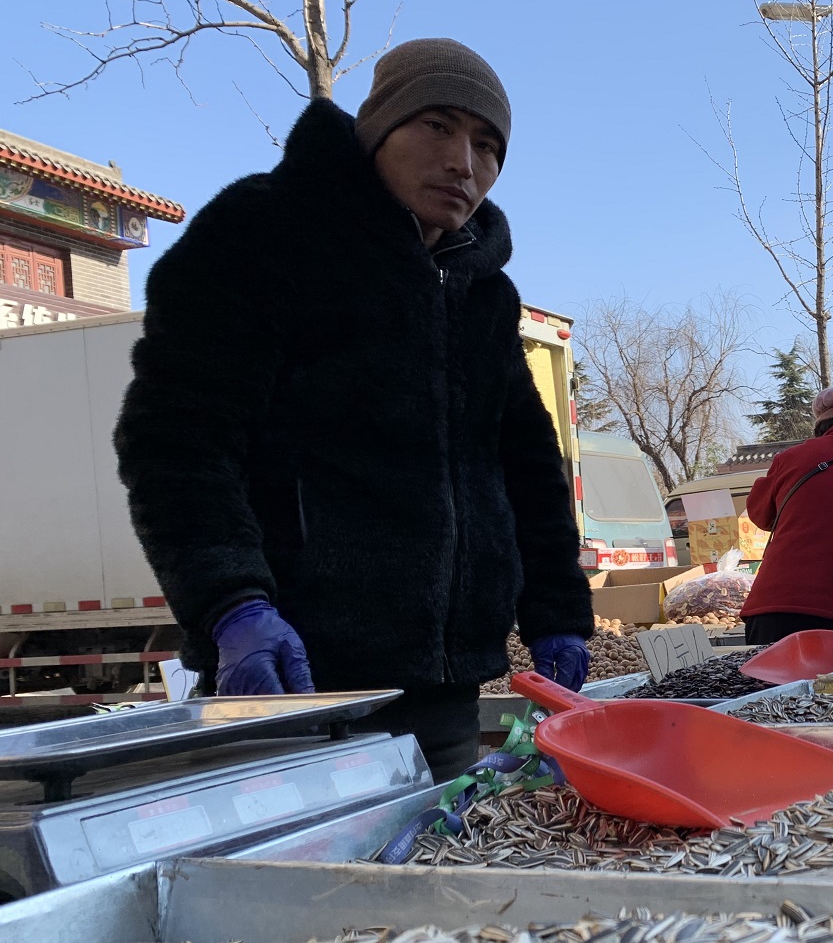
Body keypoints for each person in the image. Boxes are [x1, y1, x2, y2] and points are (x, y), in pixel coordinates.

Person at [114, 39, 594, 779]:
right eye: (437, 126)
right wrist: (230, 602)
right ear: (378, 128)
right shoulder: (262, 235)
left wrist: (558, 613)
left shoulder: (483, 295)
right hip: (296, 674)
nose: (464, 163)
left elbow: (525, 468)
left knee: (436, 878)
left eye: (487, 144)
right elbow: (178, 440)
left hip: (441, 686)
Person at [739, 385, 833, 645]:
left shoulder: (789, 458)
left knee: (772, 686)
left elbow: (759, 515)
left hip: (774, 607)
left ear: (822, 423)